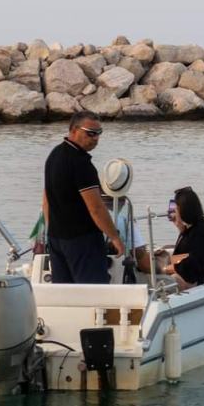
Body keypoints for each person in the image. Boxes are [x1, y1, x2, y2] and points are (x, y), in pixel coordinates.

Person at [42, 111, 125, 284]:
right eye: (90, 133)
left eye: (99, 133)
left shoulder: (54, 155)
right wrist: (115, 237)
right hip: (82, 240)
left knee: (65, 294)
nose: (95, 138)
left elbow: (46, 197)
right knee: (93, 292)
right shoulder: (81, 164)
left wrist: (52, 228)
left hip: (57, 238)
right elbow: (96, 208)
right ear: (73, 130)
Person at [164, 187, 204, 291]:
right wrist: (179, 224)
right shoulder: (190, 228)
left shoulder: (200, 233)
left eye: (176, 210)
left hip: (199, 281)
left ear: (184, 210)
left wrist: (165, 269)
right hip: (188, 273)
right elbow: (181, 254)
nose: (173, 214)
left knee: (167, 281)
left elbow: (189, 268)